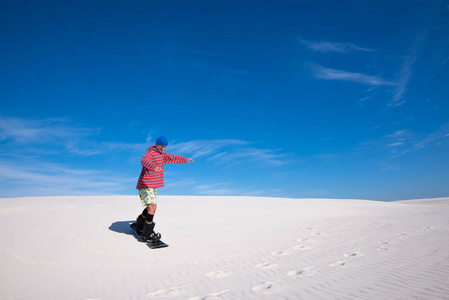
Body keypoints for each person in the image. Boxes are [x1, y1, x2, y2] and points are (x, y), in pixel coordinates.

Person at [135, 136, 194, 242]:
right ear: (157, 144)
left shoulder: (162, 155)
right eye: (161, 146)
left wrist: (185, 159)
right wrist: (153, 167)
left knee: (153, 207)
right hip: (145, 184)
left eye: (164, 147)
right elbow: (143, 160)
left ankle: (140, 224)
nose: (163, 148)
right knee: (152, 208)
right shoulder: (150, 153)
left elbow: (172, 157)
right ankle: (146, 234)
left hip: (152, 185)